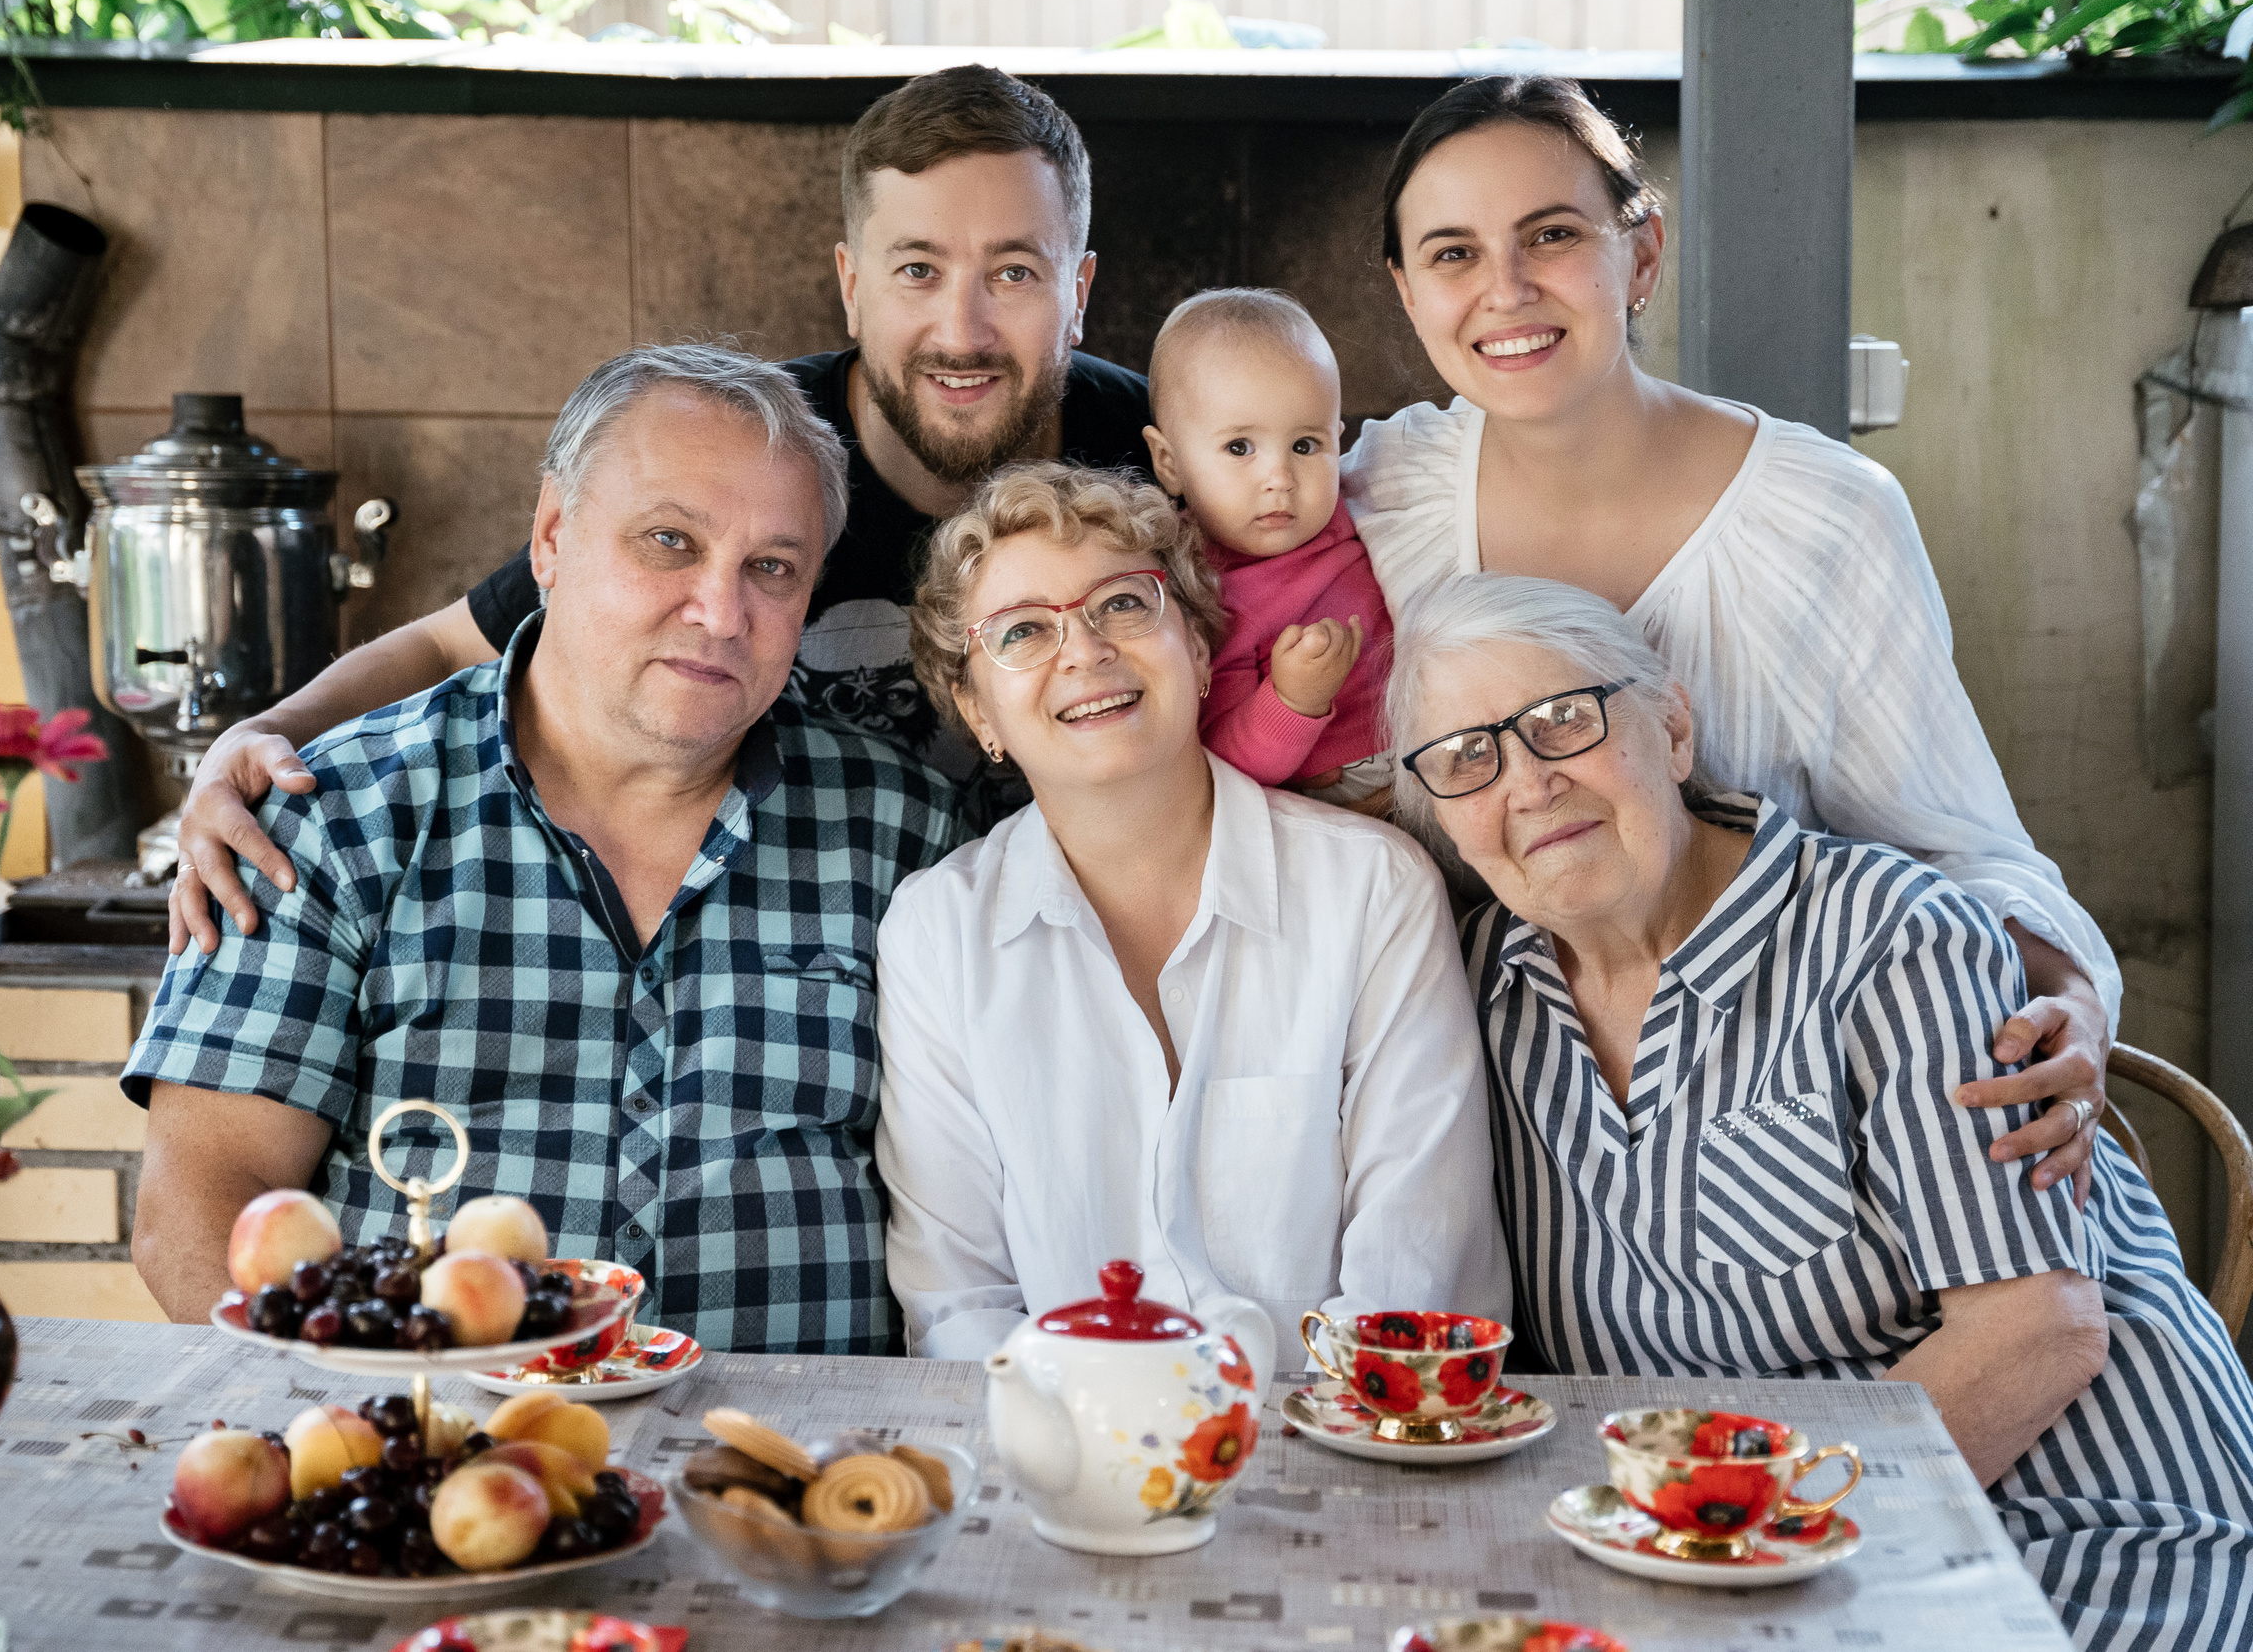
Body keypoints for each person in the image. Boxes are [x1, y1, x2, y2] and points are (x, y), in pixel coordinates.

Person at [1386, 571, 2253, 1652]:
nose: (1526, 783)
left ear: (1672, 726)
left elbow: (2035, 1335)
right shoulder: (1474, 993)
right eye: (1467, 757)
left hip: (2066, 1544)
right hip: (1737, 1569)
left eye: (1565, 720)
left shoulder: (1893, 938)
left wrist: (1731, 1541)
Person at [167, 63, 1150, 954]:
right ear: (852, 287)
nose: (961, 328)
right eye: (917, 270)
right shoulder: (755, 456)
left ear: (1078, 291)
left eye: (1014, 272)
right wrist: (255, 741)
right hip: (810, 953)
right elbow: (443, 649)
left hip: (1087, 948)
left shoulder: (1171, 461)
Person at [1349, 73, 2114, 1197]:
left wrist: (2073, 1002)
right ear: (1408, 294)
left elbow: (1957, 846)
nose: (1503, 291)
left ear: (1641, 253)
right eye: (1453, 254)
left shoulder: (1824, 520)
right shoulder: (1375, 502)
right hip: (1492, 1117)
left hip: (1795, 1127)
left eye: (1551, 236)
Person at [122, 344, 964, 1355]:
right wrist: (361, 1433)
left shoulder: (904, 833)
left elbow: (985, 1213)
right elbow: (202, 1196)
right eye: (667, 541)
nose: (720, 610)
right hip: (441, 1457)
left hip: (794, 1480)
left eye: (770, 569)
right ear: (553, 538)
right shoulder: (331, 814)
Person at [873, 463, 1511, 1365]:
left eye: (1125, 605)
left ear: (1202, 649)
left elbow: (1415, 1284)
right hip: (1059, 1478)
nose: (1085, 651)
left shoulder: (1373, 891)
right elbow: (958, 1306)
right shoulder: (936, 936)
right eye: (1021, 631)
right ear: (978, 709)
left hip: (1350, 1466)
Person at [1143, 288, 1393, 807]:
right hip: (1334, 799)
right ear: (1169, 462)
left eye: (1306, 446)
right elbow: (1227, 765)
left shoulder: (1363, 507)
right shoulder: (1197, 593)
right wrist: (1293, 699)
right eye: (1239, 448)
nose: (1280, 478)